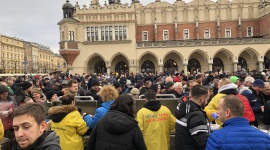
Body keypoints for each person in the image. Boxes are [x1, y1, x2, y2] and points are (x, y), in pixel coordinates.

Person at [206, 95, 270, 150]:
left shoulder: (216, 138)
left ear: (227, 112)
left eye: (219, 109)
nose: (217, 112)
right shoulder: (265, 137)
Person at [175, 84, 210, 150]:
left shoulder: (183, 110)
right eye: (207, 99)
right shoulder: (196, 116)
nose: (207, 102)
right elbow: (203, 143)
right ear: (202, 99)